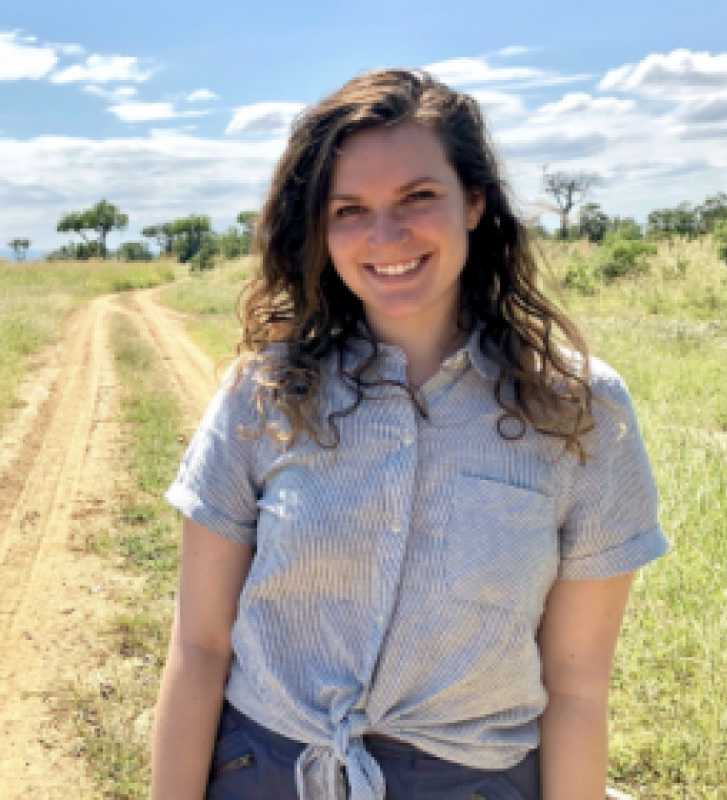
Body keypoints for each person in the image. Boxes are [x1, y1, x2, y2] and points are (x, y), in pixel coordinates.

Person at [151, 69, 668, 800]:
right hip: (265, 773)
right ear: (320, 230)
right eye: (350, 209)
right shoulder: (262, 396)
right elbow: (200, 649)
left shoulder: (580, 410)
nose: (385, 236)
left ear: (475, 201)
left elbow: (577, 686)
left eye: (418, 197)